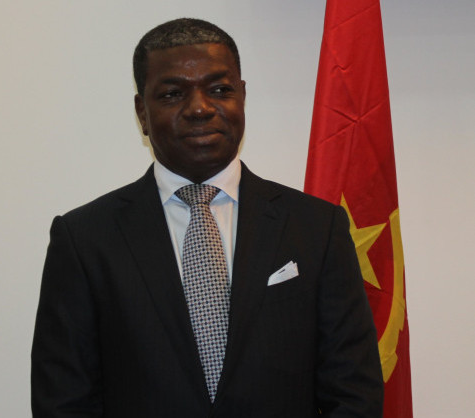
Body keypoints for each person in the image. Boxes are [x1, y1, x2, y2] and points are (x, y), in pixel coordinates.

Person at [31, 18, 383, 417]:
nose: (199, 108)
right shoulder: (84, 240)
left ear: (242, 97)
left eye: (219, 90)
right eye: (172, 94)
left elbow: (354, 393)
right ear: (142, 112)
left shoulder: (318, 228)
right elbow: (63, 403)